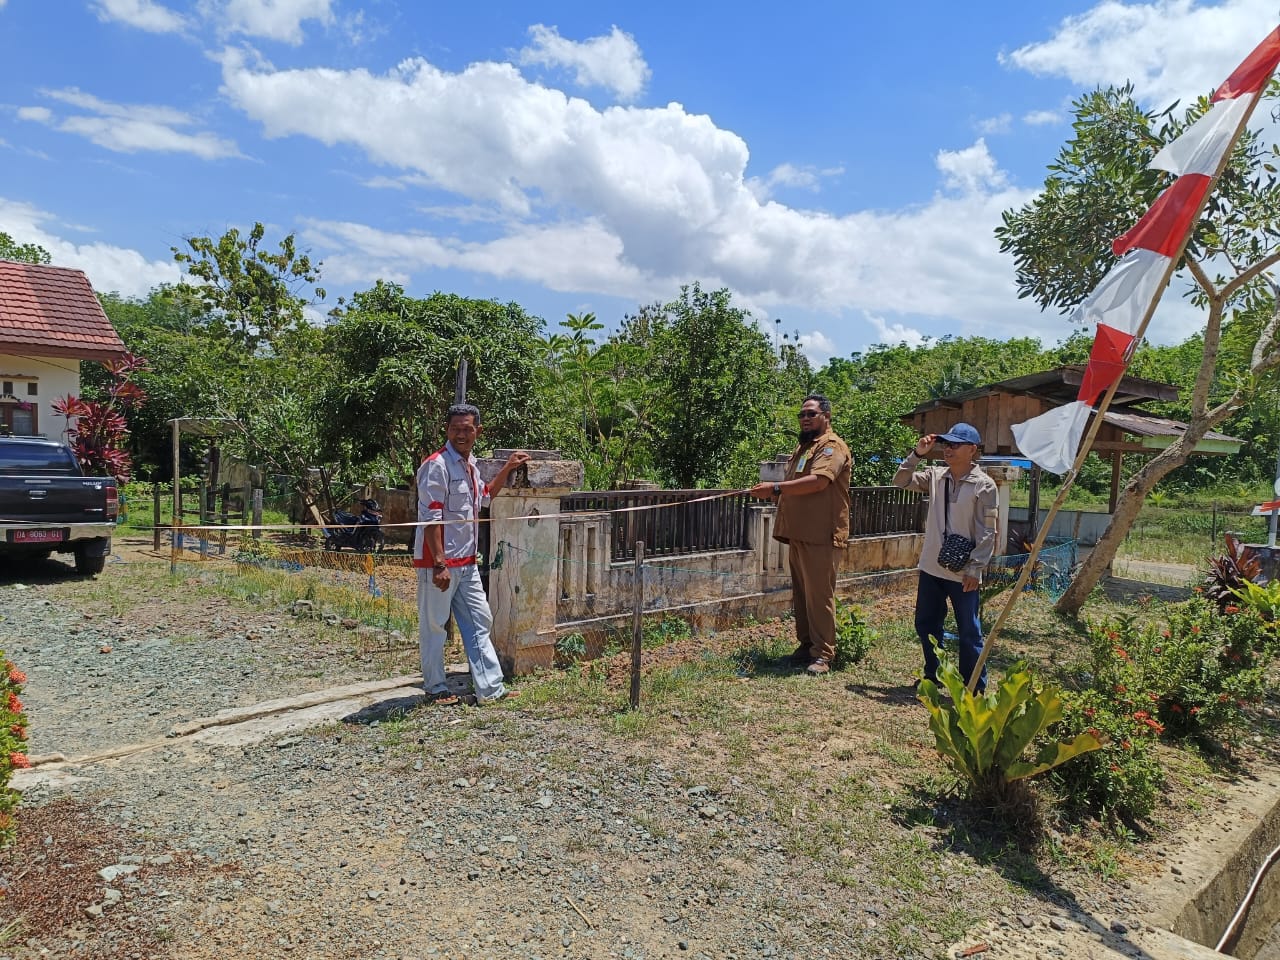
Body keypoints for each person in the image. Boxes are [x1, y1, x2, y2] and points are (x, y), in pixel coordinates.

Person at [414, 403, 531, 705]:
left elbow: (486, 496)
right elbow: (431, 518)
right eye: (455, 429)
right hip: (438, 563)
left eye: (467, 429)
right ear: (447, 430)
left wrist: (508, 467)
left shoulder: (470, 466)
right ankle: (436, 688)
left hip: (466, 562)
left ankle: (490, 689)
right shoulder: (437, 465)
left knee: (481, 620)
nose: (461, 434)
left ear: (478, 431)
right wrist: (439, 563)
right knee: (435, 625)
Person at [892, 422, 998, 693]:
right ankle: (933, 674)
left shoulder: (984, 486)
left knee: (969, 631)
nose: (947, 449)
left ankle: (973, 686)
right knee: (926, 623)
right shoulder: (936, 476)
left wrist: (975, 568)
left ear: (972, 450)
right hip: (931, 566)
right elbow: (901, 481)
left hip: (963, 571)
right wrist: (917, 454)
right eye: (946, 444)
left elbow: (989, 531)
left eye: (955, 444)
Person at [750, 394, 851, 675]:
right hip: (800, 533)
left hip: (821, 535)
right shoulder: (804, 447)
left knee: (819, 596)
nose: (805, 419)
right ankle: (807, 646)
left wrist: (776, 488)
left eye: (811, 414)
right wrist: (775, 494)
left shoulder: (831, 447)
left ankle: (823, 654)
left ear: (826, 416)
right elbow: (796, 485)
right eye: (802, 415)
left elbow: (819, 482)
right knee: (803, 594)